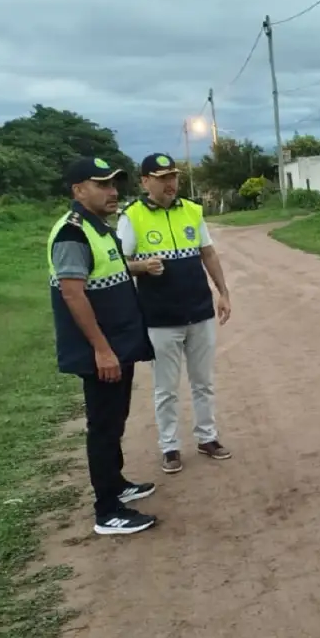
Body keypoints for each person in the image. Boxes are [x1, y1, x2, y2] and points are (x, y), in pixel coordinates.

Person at [49, 156, 160, 535]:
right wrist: (101, 349)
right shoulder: (72, 233)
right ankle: (107, 510)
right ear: (78, 190)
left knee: (116, 421)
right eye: (102, 185)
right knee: (103, 426)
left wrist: (139, 268)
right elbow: (72, 293)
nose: (113, 192)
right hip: (102, 350)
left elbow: (108, 268)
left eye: (114, 184)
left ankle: (117, 484)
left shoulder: (100, 229)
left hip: (119, 343)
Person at [117, 153, 233, 475]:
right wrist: (141, 267)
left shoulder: (192, 211)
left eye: (174, 177)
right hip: (160, 317)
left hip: (199, 311)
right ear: (145, 182)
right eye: (162, 177)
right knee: (165, 388)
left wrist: (222, 293)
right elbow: (118, 263)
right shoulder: (132, 216)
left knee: (203, 382)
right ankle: (169, 446)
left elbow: (207, 252)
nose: (170, 183)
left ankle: (207, 438)